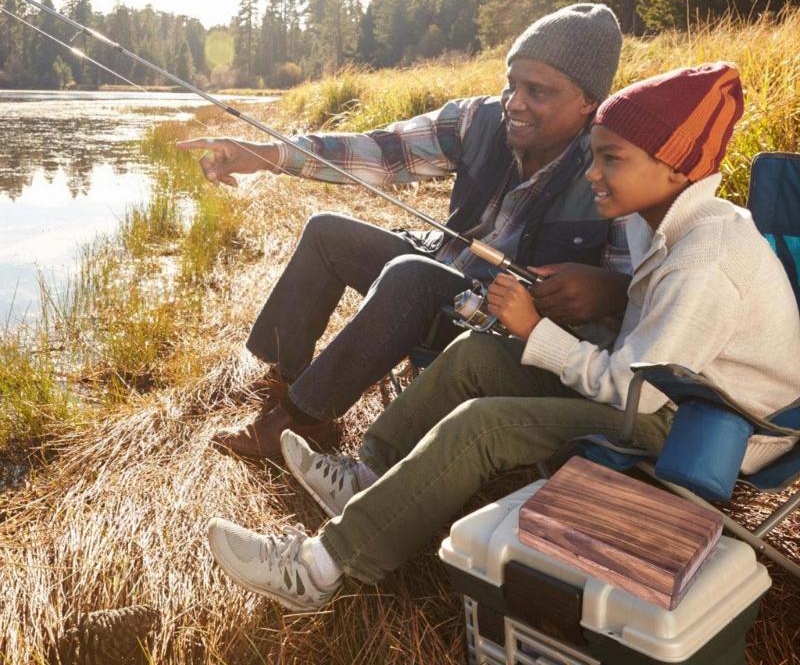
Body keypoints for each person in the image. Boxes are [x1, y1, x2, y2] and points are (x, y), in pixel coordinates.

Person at [206, 62, 800, 612]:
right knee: (475, 354)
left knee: (484, 426)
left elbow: (635, 393)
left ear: (675, 167)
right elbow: (642, 355)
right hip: (664, 389)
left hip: (711, 427)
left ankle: (317, 570)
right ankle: (367, 475)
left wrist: (536, 330)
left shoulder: (704, 262)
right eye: (594, 155)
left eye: (610, 159)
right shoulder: (666, 219)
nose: (592, 172)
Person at [177, 4, 629, 460]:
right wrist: (266, 155)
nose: (514, 103)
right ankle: (284, 379)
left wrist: (613, 290)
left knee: (412, 276)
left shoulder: (614, 165)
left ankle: (303, 420)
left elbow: (647, 297)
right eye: (511, 83)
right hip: (442, 274)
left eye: (537, 91)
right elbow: (379, 151)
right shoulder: (478, 119)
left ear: (588, 101)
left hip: (497, 331)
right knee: (326, 232)